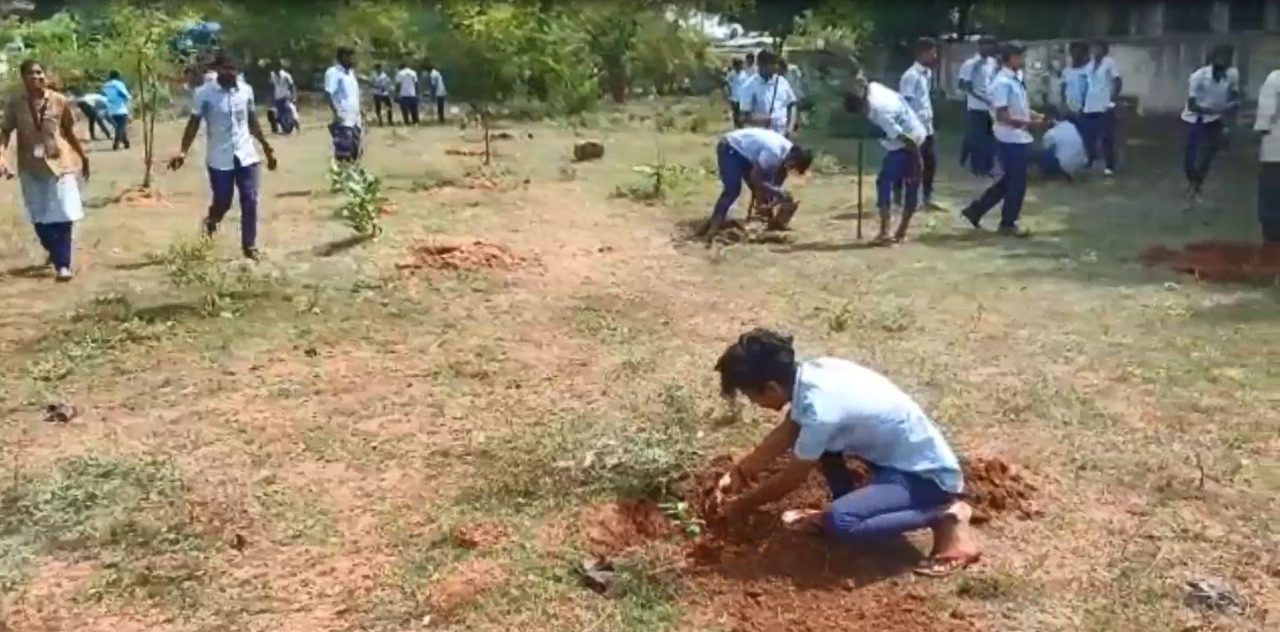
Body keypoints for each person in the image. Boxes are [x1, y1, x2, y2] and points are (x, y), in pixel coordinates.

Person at [711, 328, 980, 577]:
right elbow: (787, 431)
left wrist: (742, 506)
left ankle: (943, 511)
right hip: (893, 462)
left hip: (925, 477)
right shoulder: (815, 372)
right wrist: (740, 472)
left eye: (750, 397)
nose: (754, 404)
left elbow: (791, 479)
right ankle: (855, 505)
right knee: (821, 448)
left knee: (841, 522)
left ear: (771, 388)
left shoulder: (821, 411)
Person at [168, 51, 278, 261]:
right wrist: (183, 151)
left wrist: (266, 147)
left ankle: (249, 245)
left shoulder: (245, 91)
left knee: (250, 198)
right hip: (220, 158)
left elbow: (252, 120)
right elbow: (194, 124)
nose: (231, 74)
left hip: (246, 155)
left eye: (234, 70)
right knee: (223, 201)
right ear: (217, 70)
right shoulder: (205, 93)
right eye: (226, 69)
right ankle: (212, 221)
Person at [0, 60, 90, 281]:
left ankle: (63, 264)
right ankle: (53, 249)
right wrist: (1, 156)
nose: (37, 77)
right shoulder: (16, 104)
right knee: (38, 215)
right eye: (31, 74)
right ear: (23, 79)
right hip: (30, 166)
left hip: (60, 164)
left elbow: (68, 131)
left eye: (40, 72)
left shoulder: (59, 101)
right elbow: (4, 131)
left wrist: (84, 157)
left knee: (63, 212)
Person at [960, 42, 1042, 237]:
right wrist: (1029, 123)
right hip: (1009, 138)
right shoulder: (1002, 83)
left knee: (1008, 181)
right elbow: (1003, 116)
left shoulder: (1014, 79)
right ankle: (1008, 223)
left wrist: (1033, 115)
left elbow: (1017, 107)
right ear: (1010, 57)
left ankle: (976, 210)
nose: (1023, 60)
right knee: (1017, 183)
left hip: (1018, 136)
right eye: (1020, 56)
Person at [844, 79, 927, 245]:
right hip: (905, 137)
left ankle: (891, 232)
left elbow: (908, 140)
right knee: (886, 181)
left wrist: (918, 162)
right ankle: (890, 231)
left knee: (900, 183)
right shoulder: (873, 87)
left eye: (860, 112)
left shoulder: (881, 113)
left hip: (910, 144)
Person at [702, 127, 813, 243]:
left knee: (764, 190)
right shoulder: (774, 152)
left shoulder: (788, 152)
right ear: (793, 160)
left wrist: (776, 198)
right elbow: (757, 179)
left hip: (743, 153)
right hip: (730, 148)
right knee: (732, 190)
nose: (790, 169)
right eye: (792, 167)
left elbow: (776, 180)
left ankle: (767, 224)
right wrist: (778, 193)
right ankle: (712, 229)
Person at [1181, 45, 1239, 212]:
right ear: (1213, 60)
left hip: (1215, 120)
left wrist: (1231, 108)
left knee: (1208, 155)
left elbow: (1233, 95)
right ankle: (1193, 180)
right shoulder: (1198, 76)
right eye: (1221, 58)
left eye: (1228, 58)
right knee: (1189, 157)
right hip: (1196, 118)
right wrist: (1216, 110)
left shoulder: (1232, 74)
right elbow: (1192, 105)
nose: (1225, 62)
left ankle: (1196, 185)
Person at [896, 37, 939, 211]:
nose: (935, 56)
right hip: (914, 128)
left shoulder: (926, 74)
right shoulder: (910, 76)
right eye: (932, 52)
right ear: (923, 53)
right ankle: (900, 198)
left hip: (927, 127)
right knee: (910, 164)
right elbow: (905, 102)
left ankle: (927, 198)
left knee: (930, 163)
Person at [957, 37, 998, 176]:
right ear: (980, 46)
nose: (989, 48)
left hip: (991, 107)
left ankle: (988, 167)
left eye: (991, 45)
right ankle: (977, 168)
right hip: (976, 107)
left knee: (990, 139)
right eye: (986, 45)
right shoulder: (971, 64)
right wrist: (982, 98)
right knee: (978, 139)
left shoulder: (992, 63)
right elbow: (964, 85)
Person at [1081, 39, 1122, 176]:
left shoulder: (1109, 63)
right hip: (1090, 104)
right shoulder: (1090, 65)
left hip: (1105, 105)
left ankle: (1109, 165)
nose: (1094, 51)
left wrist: (1113, 99)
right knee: (1089, 135)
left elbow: (1117, 81)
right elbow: (1087, 84)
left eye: (1097, 48)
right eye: (1093, 48)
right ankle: (1091, 159)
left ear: (1104, 49)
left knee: (1106, 136)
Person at [741, 50, 797, 137]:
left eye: (776, 63)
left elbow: (792, 105)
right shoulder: (749, 86)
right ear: (761, 64)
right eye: (773, 63)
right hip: (761, 138)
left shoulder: (782, 82)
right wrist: (762, 119)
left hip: (782, 136)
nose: (777, 66)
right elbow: (744, 117)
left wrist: (790, 128)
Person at [325, 46, 363, 163]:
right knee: (344, 152)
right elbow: (328, 93)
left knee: (355, 151)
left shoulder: (350, 74)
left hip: (355, 118)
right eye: (349, 57)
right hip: (343, 118)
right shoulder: (333, 73)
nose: (352, 60)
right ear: (342, 57)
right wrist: (335, 112)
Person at [1256, 67, 1280, 242]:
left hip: (1275, 147)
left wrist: (1259, 133)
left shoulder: (1275, 78)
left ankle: (1271, 232)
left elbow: (1266, 113)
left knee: (1272, 192)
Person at [1035, 108, 1086, 182]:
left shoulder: (1050, 134)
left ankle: (1049, 176)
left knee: (1042, 153)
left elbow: (1045, 149)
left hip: (1064, 166)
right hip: (1079, 163)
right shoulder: (1070, 125)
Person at [1060, 41, 1090, 123]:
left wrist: (1084, 108)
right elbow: (1063, 89)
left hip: (1085, 111)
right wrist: (1065, 106)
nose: (1076, 54)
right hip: (1068, 110)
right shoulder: (1066, 71)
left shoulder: (1088, 71)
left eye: (1079, 51)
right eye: (1074, 51)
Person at [101, 69, 131, 151]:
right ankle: (116, 143)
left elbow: (105, 95)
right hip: (121, 108)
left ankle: (126, 143)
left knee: (120, 127)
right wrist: (127, 99)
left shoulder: (106, 85)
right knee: (121, 126)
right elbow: (125, 95)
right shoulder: (119, 84)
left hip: (111, 109)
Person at [269, 60, 297, 135]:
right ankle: (285, 129)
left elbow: (292, 85)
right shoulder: (272, 75)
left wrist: (294, 96)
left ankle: (296, 126)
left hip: (285, 97)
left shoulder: (286, 75)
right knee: (279, 114)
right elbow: (272, 86)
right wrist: (271, 98)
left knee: (289, 112)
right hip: (277, 98)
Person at [395, 61, 419, 125]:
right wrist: (416, 93)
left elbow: (398, 85)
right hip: (412, 94)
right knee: (414, 110)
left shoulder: (400, 73)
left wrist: (396, 94)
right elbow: (416, 84)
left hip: (403, 95)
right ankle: (415, 122)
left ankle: (407, 122)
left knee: (405, 111)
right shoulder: (413, 73)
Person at [725, 58, 747, 128]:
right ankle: (736, 126)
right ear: (736, 66)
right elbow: (727, 83)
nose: (741, 66)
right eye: (740, 65)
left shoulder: (744, 74)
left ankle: (741, 126)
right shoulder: (731, 74)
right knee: (735, 113)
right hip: (734, 97)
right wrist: (729, 92)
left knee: (742, 113)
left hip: (742, 97)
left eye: (742, 65)